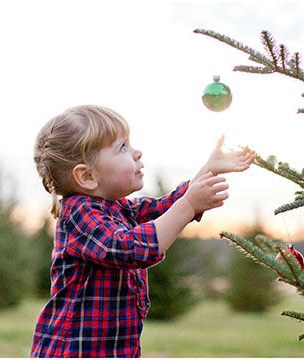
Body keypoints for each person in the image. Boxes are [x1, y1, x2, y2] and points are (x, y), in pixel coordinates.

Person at [30, 105, 255, 357]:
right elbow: (130, 248)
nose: (137, 153)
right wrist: (190, 203)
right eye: (122, 147)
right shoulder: (79, 214)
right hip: (74, 352)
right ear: (88, 176)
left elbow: (163, 210)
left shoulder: (118, 209)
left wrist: (208, 170)